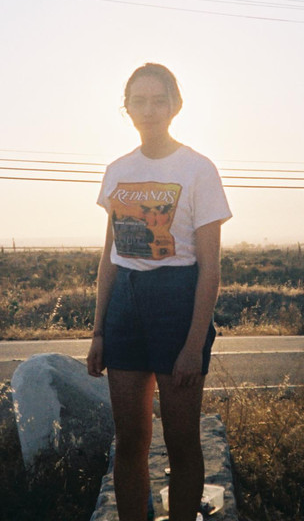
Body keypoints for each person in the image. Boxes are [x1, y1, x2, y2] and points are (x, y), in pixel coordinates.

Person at [87, 63, 232, 521]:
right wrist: (98, 332)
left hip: (177, 303)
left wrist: (193, 344)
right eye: (139, 101)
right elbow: (110, 257)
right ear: (126, 108)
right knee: (130, 440)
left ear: (175, 106)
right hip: (124, 307)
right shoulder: (117, 171)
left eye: (158, 100)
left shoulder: (198, 169)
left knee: (181, 440)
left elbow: (210, 268)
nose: (148, 110)